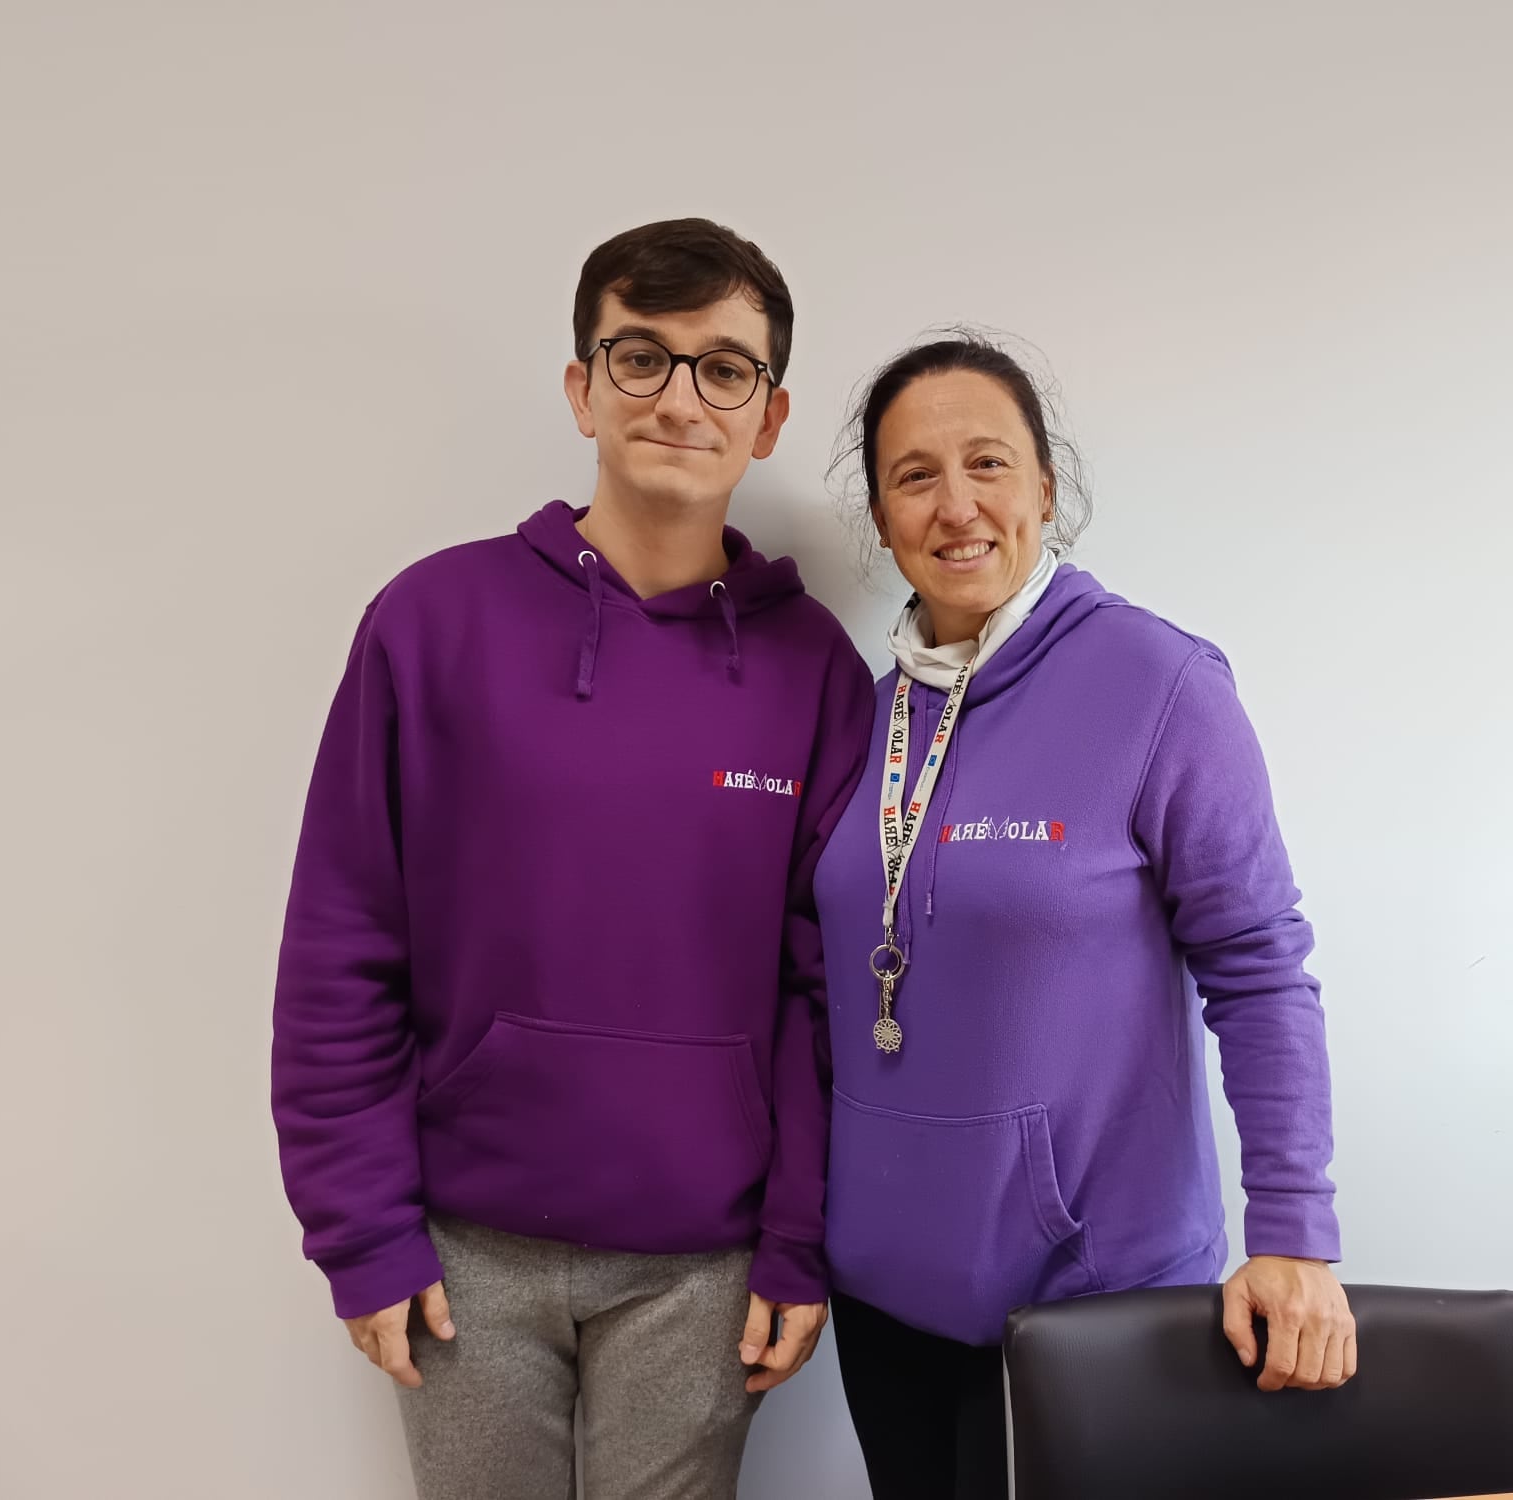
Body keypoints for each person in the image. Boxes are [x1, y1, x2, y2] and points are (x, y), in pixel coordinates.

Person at [272, 218, 874, 1500]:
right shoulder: (432, 622)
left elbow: (829, 991)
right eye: (639, 357)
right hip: (461, 1253)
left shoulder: (814, 669)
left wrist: (796, 1244)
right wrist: (361, 1232)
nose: (676, 397)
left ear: (767, 419)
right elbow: (342, 940)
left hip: (702, 1267)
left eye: (722, 368)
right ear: (581, 388)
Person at [812, 333, 1357, 1499]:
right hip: (883, 1297)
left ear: (1045, 488)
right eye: (914, 475)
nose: (955, 505)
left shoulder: (1157, 685)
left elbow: (1258, 969)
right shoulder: (866, 719)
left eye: (987, 464)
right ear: (879, 513)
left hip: (1090, 1297)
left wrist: (1294, 1229)